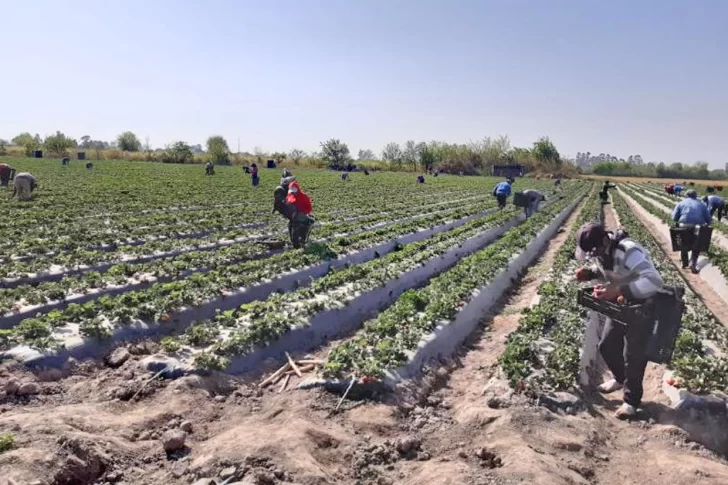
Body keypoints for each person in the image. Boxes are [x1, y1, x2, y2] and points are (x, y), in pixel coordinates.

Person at [574, 222, 664, 419]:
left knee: (633, 354)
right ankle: (620, 378)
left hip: (643, 305)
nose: (594, 256)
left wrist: (619, 290)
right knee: (607, 345)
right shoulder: (602, 252)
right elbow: (612, 272)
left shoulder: (628, 251)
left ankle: (631, 402)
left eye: (595, 251)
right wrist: (590, 273)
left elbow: (654, 281)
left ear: (606, 240)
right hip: (622, 302)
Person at [672, 189, 711, 273]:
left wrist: (678, 221)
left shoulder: (681, 203)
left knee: (683, 243)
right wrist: (706, 224)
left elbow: (674, 217)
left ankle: (684, 263)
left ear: (686, 195)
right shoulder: (701, 204)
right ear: (696, 196)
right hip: (697, 226)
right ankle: (693, 264)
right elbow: (708, 219)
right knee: (696, 244)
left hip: (683, 225)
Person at [285, 180, 314, 248]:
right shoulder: (289, 196)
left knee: (301, 228)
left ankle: (302, 241)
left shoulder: (304, 197)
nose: (293, 193)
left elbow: (309, 208)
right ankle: (295, 242)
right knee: (290, 227)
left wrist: (300, 211)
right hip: (293, 217)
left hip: (301, 215)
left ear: (298, 190)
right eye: (292, 192)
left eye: (294, 192)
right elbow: (287, 206)